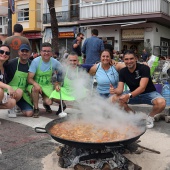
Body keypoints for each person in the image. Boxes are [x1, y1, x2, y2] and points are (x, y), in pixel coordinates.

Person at [110, 50, 166, 129]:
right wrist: (114, 91)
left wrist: (128, 96)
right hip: (133, 94)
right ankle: (134, 116)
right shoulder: (122, 71)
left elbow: (142, 88)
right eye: (126, 59)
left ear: (136, 59)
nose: (129, 61)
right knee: (114, 98)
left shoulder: (144, 68)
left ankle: (150, 118)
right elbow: (120, 89)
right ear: (123, 60)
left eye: (131, 58)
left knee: (161, 103)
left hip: (149, 93)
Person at [27, 42, 63, 118]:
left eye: (48, 51)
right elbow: (29, 78)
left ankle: (46, 104)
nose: (46, 53)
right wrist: (36, 84)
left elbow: (62, 72)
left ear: (51, 53)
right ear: (41, 52)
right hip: (35, 84)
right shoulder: (35, 61)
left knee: (49, 102)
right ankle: (36, 108)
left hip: (47, 85)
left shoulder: (55, 62)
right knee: (35, 89)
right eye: (44, 51)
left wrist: (57, 83)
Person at [50, 52, 87, 116]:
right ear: (67, 61)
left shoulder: (81, 69)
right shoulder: (62, 70)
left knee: (87, 92)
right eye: (71, 60)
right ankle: (62, 105)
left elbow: (93, 66)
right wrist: (57, 86)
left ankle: (84, 108)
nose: (72, 63)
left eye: (75, 60)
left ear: (78, 61)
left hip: (76, 90)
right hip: (66, 91)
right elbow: (57, 83)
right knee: (53, 94)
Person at [5, 44, 33, 117]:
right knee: (19, 91)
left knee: (29, 113)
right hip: (11, 90)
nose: (24, 53)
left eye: (26, 51)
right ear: (18, 52)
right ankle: (11, 106)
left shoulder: (31, 64)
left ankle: (18, 105)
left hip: (24, 92)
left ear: (29, 53)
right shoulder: (11, 63)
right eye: (22, 51)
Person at [0, 45, 16, 110]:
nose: (4, 54)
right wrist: (8, 87)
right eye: (1, 52)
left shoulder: (6, 67)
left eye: (7, 53)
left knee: (12, 102)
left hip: (3, 91)